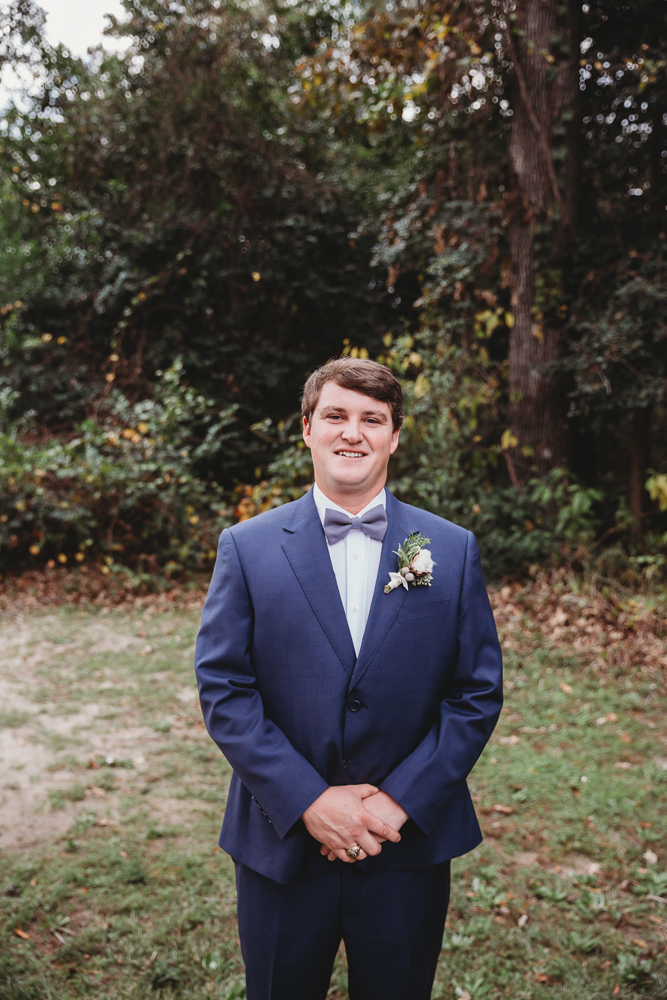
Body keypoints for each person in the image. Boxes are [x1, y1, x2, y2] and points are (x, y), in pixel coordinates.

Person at [194, 357, 503, 1000]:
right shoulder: (246, 547)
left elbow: (475, 692)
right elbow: (224, 688)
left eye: (373, 419)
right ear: (307, 429)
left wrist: (398, 803)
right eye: (335, 415)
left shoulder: (450, 547)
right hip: (282, 842)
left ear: (394, 436)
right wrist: (309, 799)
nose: (352, 433)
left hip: (406, 845)